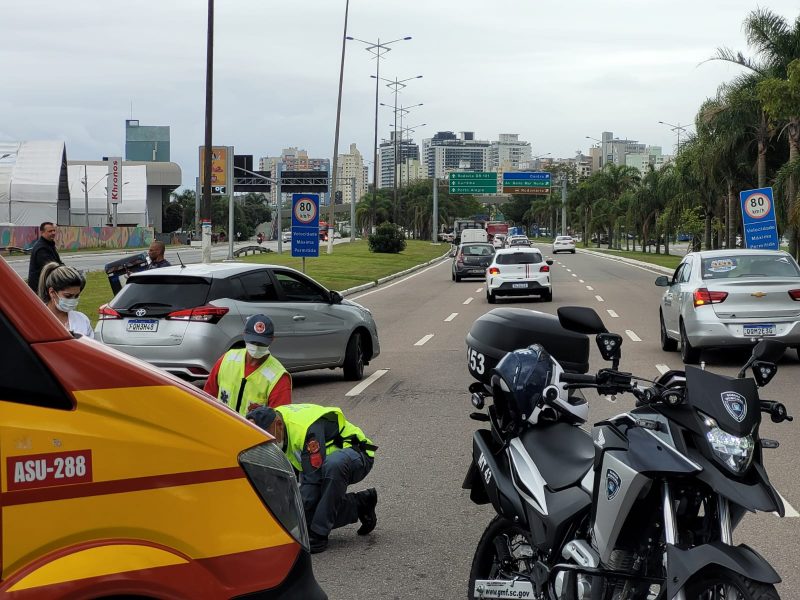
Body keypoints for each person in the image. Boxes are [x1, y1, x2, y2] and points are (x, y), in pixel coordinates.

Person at [247, 403, 378, 554]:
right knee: (294, 519)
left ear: (278, 425)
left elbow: (313, 482)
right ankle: (359, 505)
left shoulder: (305, 430)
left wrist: (296, 516)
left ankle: (319, 535)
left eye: (266, 436)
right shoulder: (275, 419)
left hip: (357, 456)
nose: (265, 442)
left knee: (332, 467)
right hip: (323, 467)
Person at [204, 314, 291, 413]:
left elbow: (278, 421)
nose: (257, 347)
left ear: (272, 339)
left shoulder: (278, 377)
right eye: (253, 342)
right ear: (244, 334)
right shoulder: (227, 359)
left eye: (262, 343)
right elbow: (208, 397)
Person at [38, 262, 94, 338]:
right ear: (52, 292)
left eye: (76, 295)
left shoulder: (82, 320)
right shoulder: (37, 320)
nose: (73, 300)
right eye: (68, 296)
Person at [27, 222, 62, 294]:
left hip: (45, 284)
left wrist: (68, 269)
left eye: (54, 230)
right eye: (50, 231)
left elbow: (58, 262)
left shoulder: (49, 244)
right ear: (42, 232)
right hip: (39, 287)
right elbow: (51, 268)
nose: (53, 233)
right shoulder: (42, 248)